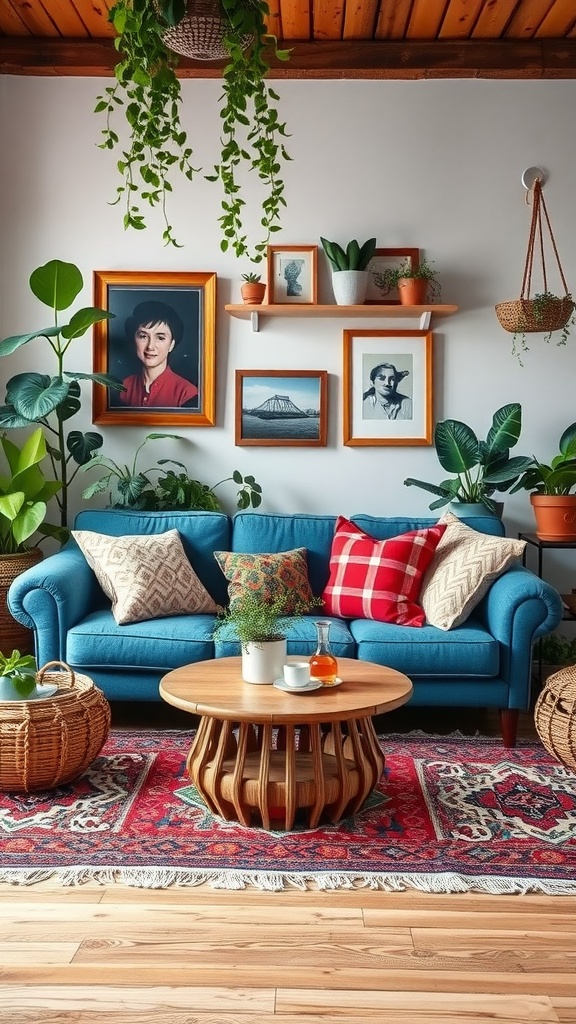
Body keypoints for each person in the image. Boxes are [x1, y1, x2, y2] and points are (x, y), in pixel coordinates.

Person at [119, 300, 198, 408]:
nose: (150, 346)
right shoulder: (123, 387)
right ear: (134, 340)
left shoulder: (186, 393)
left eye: (160, 338)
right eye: (143, 336)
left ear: (171, 344)